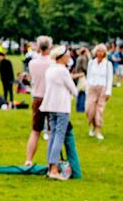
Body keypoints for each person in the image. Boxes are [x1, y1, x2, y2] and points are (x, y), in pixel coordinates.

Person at [39, 45, 78, 180]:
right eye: (67, 56)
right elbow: (74, 89)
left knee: (53, 135)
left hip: (50, 107)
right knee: (59, 137)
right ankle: (54, 169)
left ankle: (50, 167)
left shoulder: (50, 69)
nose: (69, 58)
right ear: (61, 57)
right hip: (62, 107)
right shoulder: (63, 71)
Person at [24, 36, 53, 166]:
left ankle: (29, 159)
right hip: (51, 98)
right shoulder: (53, 63)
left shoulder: (32, 63)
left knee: (35, 131)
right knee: (53, 132)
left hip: (37, 97)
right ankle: (52, 162)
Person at [85, 44, 113, 140]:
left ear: (104, 53)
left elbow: (109, 78)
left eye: (102, 51)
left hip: (102, 88)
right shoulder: (91, 63)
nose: (100, 53)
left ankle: (98, 130)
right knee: (89, 109)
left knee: (99, 110)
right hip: (92, 88)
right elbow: (88, 76)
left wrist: (108, 91)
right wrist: (87, 89)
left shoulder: (108, 64)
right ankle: (92, 125)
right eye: (98, 51)